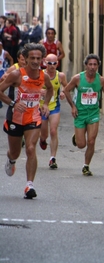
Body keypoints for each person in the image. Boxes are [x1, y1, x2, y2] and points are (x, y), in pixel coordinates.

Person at [0, 43, 53, 199]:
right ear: (26, 58)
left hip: (34, 117)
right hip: (15, 117)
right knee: (15, 152)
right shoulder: (16, 74)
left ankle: (29, 185)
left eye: (38, 58)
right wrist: (13, 103)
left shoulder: (44, 76)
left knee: (30, 148)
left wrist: (44, 104)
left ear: (42, 59)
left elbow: (50, 89)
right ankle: (11, 159)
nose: (35, 61)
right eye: (32, 58)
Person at [63, 54, 104, 176]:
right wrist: (73, 106)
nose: (92, 67)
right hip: (80, 113)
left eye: (95, 64)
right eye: (90, 64)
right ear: (86, 65)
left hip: (93, 113)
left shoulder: (101, 80)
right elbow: (66, 90)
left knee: (91, 141)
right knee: (81, 145)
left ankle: (86, 166)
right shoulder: (77, 78)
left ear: (98, 66)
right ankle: (77, 137)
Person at [38, 54, 67, 169]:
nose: (52, 66)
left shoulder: (60, 75)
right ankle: (42, 139)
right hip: (41, 107)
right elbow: (30, 87)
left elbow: (67, 86)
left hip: (54, 106)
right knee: (44, 134)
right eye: (49, 63)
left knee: (54, 131)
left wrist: (63, 92)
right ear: (45, 62)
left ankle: (52, 158)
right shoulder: (40, 74)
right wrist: (39, 91)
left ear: (57, 64)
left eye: (54, 63)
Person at [0, 41, 14, 108]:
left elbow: (11, 59)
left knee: (1, 88)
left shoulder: (5, 53)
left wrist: (11, 69)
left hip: (2, 72)